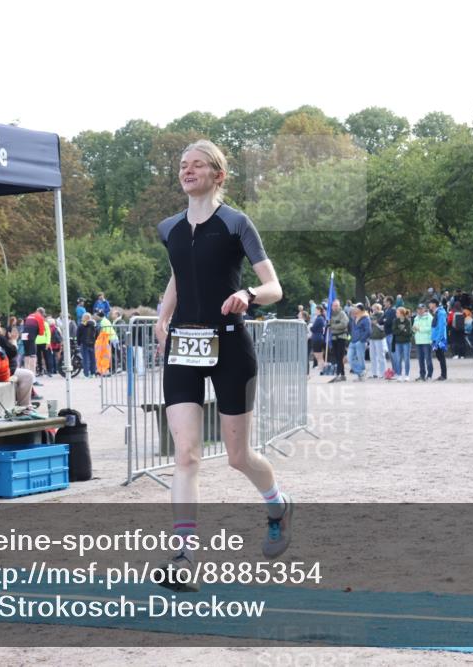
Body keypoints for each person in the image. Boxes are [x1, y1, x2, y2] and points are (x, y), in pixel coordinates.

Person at [152, 139, 290, 590]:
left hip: (230, 346)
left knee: (236, 457)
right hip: (183, 348)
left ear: (218, 175)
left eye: (197, 165)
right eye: (182, 165)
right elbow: (179, 272)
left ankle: (277, 505)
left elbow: (274, 286)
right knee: (187, 454)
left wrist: (248, 295)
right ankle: (184, 556)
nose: (187, 171)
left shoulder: (236, 224)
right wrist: (162, 316)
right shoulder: (169, 226)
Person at [328, 299, 349, 383]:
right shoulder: (330, 314)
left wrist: (333, 326)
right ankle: (342, 374)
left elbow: (344, 324)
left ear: (339, 306)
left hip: (341, 337)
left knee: (340, 356)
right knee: (336, 356)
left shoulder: (342, 314)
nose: (335, 307)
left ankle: (338, 374)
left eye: (336, 305)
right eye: (334, 305)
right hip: (333, 337)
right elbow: (329, 324)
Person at [348, 303, 370, 381]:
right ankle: (361, 372)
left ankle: (361, 376)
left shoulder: (366, 318)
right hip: (353, 341)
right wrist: (350, 339)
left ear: (360, 309)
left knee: (360, 358)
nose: (354, 309)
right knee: (349, 358)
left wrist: (361, 340)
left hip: (360, 342)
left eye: (355, 308)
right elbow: (352, 330)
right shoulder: (354, 318)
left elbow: (368, 331)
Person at [412, 304, 433, 381]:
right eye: (418, 309)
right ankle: (422, 375)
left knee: (428, 359)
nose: (420, 310)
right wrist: (414, 329)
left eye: (421, 309)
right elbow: (414, 328)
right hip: (418, 341)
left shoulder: (429, 317)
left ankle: (429, 375)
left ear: (425, 309)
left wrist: (419, 329)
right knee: (420, 359)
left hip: (426, 341)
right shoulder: (416, 318)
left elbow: (430, 328)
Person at [392, 307, 413, 381]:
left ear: (401, 313)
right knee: (398, 359)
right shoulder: (395, 321)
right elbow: (394, 331)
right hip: (398, 342)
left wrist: (400, 330)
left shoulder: (408, 321)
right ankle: (399, 375)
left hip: (406, 342)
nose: (396, 314)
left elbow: (409, 333)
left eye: (397, 312)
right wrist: (403, 330)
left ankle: (407, 375)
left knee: (406, 359)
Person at [428, 298, 447, 381]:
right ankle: (443, 374)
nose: (429, 305)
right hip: (436, 338)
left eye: (430, 303)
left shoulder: (441, 313)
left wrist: (438, 340)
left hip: (440, 339)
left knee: (441, 356)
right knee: (439, 356)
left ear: (434, 304)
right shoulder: (437, 313)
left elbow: (441, 327)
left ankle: (444, 375)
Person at [367, 303, 388, 379]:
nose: (373, 310)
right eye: (372, 309)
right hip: (372, 338)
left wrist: (376, 324)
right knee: (372, 357)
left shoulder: (382, 316)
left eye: (375, 309)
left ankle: (383, 373)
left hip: (380, 338)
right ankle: (374, 373)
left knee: (381, 356)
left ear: (378, 309)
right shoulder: (371, 317)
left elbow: (383, 327)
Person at [77, 312, 98, 378]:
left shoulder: (81, 325)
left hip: (84, 344)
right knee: (93, 359)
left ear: (84, 318)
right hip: (92, 344)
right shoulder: (94, 325)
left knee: (86, 359)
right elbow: (97, 334)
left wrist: (78, 343)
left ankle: (86, 374)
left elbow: (78, 335)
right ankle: (93, 373)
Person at [310, 305, 327, 370]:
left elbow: (313, 328)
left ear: (319, 310)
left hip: (317, 338)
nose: (315, 311)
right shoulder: (322, 318)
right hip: (320, 337)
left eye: (316, 310)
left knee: (318, 355)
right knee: (319, 355)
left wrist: (311, 327)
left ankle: (321, 367)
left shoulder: (319, 318)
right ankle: (321, 367)